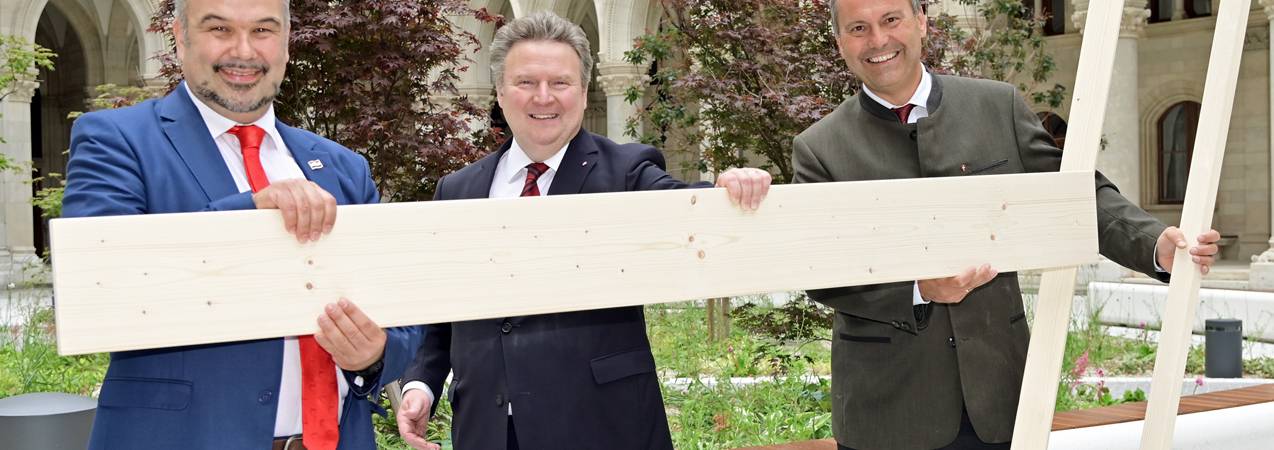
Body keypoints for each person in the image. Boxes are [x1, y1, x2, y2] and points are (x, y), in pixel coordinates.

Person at [791, 0, 1221, 449]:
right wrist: (919, 290)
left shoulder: (998, 106)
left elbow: (1073, 200)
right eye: (858, 28)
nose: (878, 40)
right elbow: (821, 276)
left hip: (1001, 400)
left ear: (921, 22)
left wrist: (1155, 244)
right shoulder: (818, 149)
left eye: (891, 20)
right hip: (887, 413)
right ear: (840, 43)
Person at [394, 11, 773, 450]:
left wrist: (726, 189)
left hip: (602, 427)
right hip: (490, 431)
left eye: (560, 82)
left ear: (583, 89)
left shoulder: (628, 171)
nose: (544, 97)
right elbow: (441, 310)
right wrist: (420, 385)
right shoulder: (458, 190)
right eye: (526, 82)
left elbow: (684, 207)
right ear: (499, 91)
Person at [62, 0, 420, 448]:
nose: (244, 51)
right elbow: (99, 285)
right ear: (180, 36)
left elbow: (405, 315)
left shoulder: (343, 167)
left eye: (264, 30)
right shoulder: (115, 140)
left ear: (287, 42)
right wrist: (251, 212)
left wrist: (375, 353)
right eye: (219, 29)